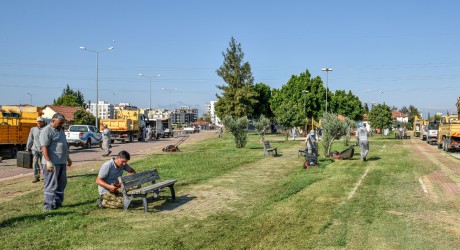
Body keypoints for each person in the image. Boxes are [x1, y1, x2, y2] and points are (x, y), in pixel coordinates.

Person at [39, 113, 72, 210]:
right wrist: (48, 161)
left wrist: (68, 158)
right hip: (52, 163)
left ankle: (58, 203)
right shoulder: (46, 131)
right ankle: (48, 206)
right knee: (51, 184)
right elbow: (44, 147)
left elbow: (64, 145)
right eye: (60, 123)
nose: (61, 125)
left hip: (61, 161)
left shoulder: (60, 130)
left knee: (62, 183)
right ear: (53, 121)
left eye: (62, 123)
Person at [26, 116, 45, 183]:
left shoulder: (45, 129)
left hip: (44, 149)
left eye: (40, 121)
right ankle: (36, 177)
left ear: (43, 122)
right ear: (36, 122)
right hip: (35, 149)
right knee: (35, 163)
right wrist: (28, 147)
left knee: (44, 163)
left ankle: (46, 176)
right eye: (38, 121)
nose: (39, 122)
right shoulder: (33, 129)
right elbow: (30, 138)